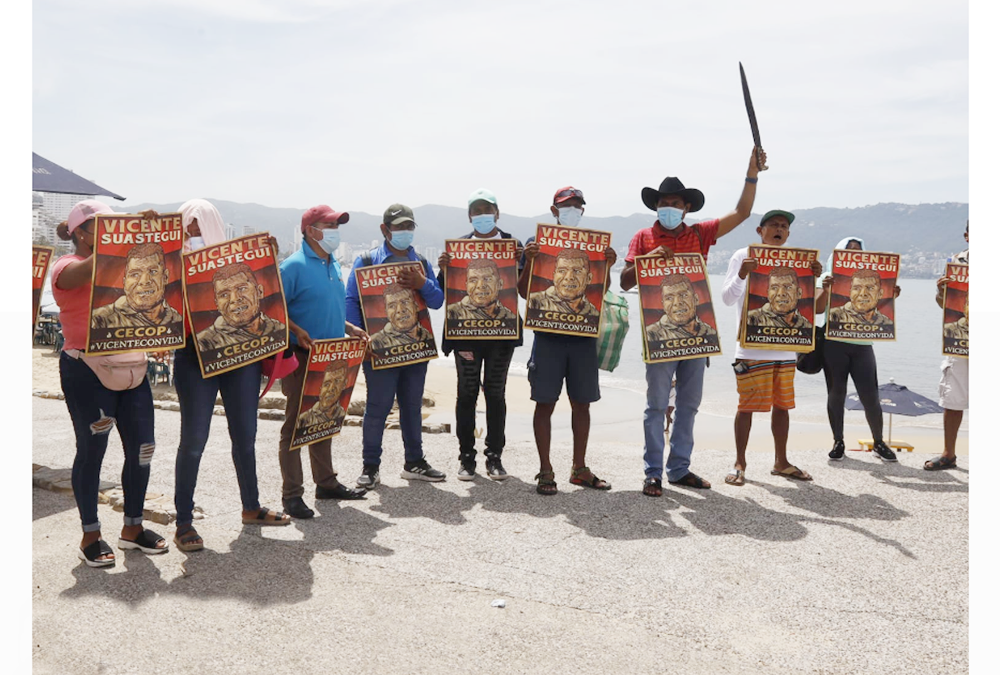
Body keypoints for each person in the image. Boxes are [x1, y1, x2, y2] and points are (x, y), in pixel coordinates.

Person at [620, 147, 765, 496]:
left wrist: (751, 173)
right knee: (656, 405)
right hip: (658, 335)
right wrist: (647, 260)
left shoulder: (700, 235)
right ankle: (653, 472)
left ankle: (679, 468)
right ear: (656, 207)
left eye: (675, 203)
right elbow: (624, 282)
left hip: (698, 335)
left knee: (688, 404)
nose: (668, 208)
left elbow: (743, 212)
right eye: (662, 203)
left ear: (686, 208)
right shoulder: (643, 237)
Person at [51, 199, 168, 567]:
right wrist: (128, 231)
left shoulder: (123, 265)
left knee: (143, 449)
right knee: (92, 451)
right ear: (81, 234)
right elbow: (91, 269)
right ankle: (91, 533)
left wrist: (148, 233)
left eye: (113, 225)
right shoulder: (66, 266)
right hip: (87, 370)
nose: (110, 231)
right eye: (101, 225)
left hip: (133, 368)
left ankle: (133, 527)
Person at [173, 199, 290, 553]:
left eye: (199, 227)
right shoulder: (172, 263)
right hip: (195, 358)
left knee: (246, 435)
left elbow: (268, 298)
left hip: (242, 359)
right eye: (187, 227)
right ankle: (183, 521)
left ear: (212, 227)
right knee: (194, 440)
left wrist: (269, 258)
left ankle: (251, 506)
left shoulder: (241, 263)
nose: (193, 233)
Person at [518, 186, 617, 495]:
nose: (572, 210)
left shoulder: (594, 245)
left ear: (582, 211)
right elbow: (523, 292)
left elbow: (601, 291)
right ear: (554, 209)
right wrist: (531, 262)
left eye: (576, 205)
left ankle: (580, 467)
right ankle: (545, 470)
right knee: (544, 403)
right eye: (566, 205)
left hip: (583, 339)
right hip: (547, 338)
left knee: (582, 404)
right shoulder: (537, 244)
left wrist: (608, 265)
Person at [277, 204, 368, 520]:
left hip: (333, 356)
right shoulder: (292, 267)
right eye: (329, 225)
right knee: (295, 426)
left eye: (336, 226)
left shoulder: (333, 265)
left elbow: (330, 308)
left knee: (324, 419)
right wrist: (298, 331)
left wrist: (351, 327)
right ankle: (292, 494)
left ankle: (326, 483)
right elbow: (275, 312)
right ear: (310, 230)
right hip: (301, 358)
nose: (335, 232)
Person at [346, 203, 446, 487]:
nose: (404, 231)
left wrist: (422, 282)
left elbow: (437, 301)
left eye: (409, 226)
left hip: (415, 350)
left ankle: (414, 462)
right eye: (399, 226)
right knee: (378, 407)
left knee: (412, 406)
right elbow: (351, 300)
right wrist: (359, 336)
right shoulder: (366, 261)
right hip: (378, 349)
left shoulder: (422, 264)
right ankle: (370, 467)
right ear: (385, 229)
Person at [722, 210, 823, 486]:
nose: (779, 229)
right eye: (773, 225)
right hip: (751, 349)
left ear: (788, 234)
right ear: (759, 230)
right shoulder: (743, 255)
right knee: (746, 407)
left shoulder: (798, 261)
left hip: (786, 350)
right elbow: (727, 298)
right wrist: (743, 274)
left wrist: (815, 277)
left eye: (783, 226)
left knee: (783, 406)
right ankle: (740, 462)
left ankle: (781, 461)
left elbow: (811, 305)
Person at [437, 188, 522, 481]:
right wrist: (443, 267)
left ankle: (494, 457)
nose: (482, 215)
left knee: (496, 395)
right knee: (466, 394)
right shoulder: (458, 248)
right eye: (476, 211)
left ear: (497, 214)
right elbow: (443, 291)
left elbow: (524, 288)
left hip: (501, 336)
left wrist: (528, 263)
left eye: (487, 210)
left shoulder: (515, 246)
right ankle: (466, 457)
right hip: (465, 337)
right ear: (470, 216)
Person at [816, 237, 902, 463]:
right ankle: (838, 442)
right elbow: (815, 308)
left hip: (863, 345)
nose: (854, 254)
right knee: (836, 393)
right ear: (839, 254)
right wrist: (825, 289)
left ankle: (879, 442)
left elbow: (881, 309)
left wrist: (892, 295)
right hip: (833, 343)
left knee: (871, 396)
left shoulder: (874, 281)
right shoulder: (828, 276)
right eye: (849, 250)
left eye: (858, 250)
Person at [926, 221, 969, 471]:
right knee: (953, 396)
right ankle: (948, 454)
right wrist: (941, 291)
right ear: (966, 235)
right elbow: (944, 305)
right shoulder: (957, 262)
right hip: (961, 338)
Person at [196, 263, 287, 352]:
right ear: (217, 304)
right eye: (224, 294)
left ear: (259, 292)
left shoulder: (280, 328)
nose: (234, 299)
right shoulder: (204, 343)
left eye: (242, 289)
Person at [90, 242, 182, 328]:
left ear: (165, 277)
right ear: (125, 282)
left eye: (153, 272)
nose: (144, 281)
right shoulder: (99, 320)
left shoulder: (177, 318)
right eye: (135, 274)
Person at [644, 274, 718, 345]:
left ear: (695, 299)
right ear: (663, 305)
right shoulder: (651, 334)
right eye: (669, 298)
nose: (677, 302)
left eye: (684, 295)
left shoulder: (710, 332)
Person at [527, 247, 600, 317]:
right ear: (554, 276)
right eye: (562, 271)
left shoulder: (594, 313)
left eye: (577, 271)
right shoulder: (534, 301)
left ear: (589, 278)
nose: (569, 277)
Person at [445, 259, 517, 323]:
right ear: (466, 286)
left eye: (487, 279)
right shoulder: (452, 312)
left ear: (500, 284)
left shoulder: (510, 316)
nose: (480, 285)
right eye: (473, 280)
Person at [368, 283, 435, 351]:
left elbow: (436, 302)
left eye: (405, 302)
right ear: (386, 313)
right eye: (392, 306)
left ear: (416, 306)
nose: (400, 310)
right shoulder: (376, 342)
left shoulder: (426, 335)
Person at [745, 266, 813, 329]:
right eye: (774, 288)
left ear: (799, 293)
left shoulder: (806, 325)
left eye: (788, 287)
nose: (781, 293)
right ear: (768, 293)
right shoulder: (751, 319)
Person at [827, 269, 892, 326]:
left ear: (880, 294)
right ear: (850, 293)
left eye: (870, 288)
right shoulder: (833, 315)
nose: (863, 294)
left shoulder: (887, 322)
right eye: (857, 288)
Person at [296, 361, 349, 431]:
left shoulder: (340, 413)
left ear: (344, 384)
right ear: (320, 389)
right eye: (327, 384)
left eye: (337, 381)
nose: (330, 389)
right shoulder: (304, 418)